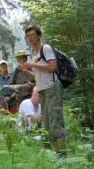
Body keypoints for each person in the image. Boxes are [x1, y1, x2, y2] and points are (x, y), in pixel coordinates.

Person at [22, 25, 66, 155]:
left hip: (52, 89)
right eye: (28, 36)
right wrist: (27, 72)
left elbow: (52, 67)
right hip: (42, 91)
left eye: (32, 35)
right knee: (47, 125)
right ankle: (58, 155)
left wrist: (32, 64)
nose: (30, 38)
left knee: (55, 123)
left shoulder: (45, 48)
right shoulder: (35, 53)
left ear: (39, 35)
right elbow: (40, 75)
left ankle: (62, 157)